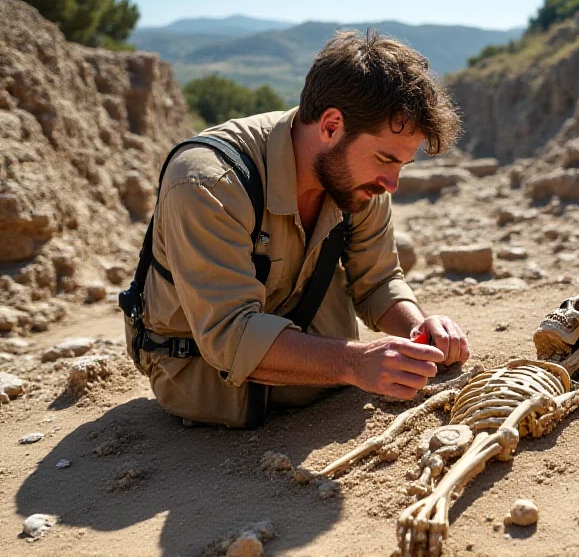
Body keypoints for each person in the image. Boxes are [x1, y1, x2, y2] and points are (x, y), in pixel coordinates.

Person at [137, 29, 470, 427]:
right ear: (331, 126)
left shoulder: (358, 180)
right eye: (385, 159)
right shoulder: (208, 182)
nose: (392, 184)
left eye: (401, 164)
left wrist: (418, 326)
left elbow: (377, 280)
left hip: (323, 372)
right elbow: (230, 336)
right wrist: (354, 362)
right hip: (210, 382)